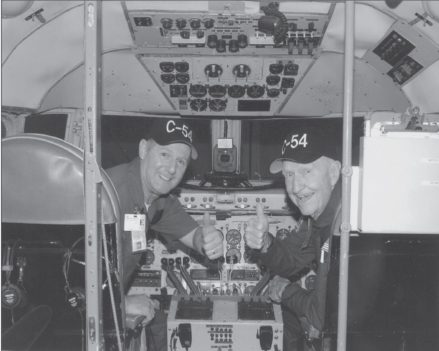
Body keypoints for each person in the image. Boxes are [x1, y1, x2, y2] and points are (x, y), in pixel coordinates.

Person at [106, 118, 224, 351]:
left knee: (159, 320)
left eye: (181, 161)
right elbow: (76, 268)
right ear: (143, 149)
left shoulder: (158, 202)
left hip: (108, 300)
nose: (172, 169)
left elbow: (194, 235)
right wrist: (121, 303)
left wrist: (210, 239)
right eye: (164, 155)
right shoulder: (109, 193)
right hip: (79, 310)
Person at [244, 127, 341, 351]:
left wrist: (285, 290)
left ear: (334, 173)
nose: (296, 187)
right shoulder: (317, 217)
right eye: (289, 175)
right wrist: (265, 242)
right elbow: (291, 258)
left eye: (306, 171)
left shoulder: (342, 225)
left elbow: (321, 317)